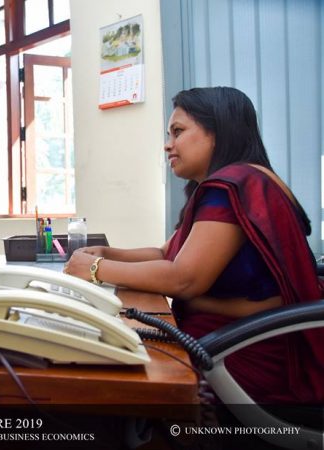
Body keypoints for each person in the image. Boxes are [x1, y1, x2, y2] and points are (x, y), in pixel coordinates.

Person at [65, 87, 324, 404]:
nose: (168, 144)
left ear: (218, 132)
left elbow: (184, 279)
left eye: (178, 132)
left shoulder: (233, 185)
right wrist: (107, 253)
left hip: (243, 351)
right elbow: (165, 253)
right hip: (231, 336)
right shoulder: (237, 182)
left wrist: (96, 269)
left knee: (109, 378)